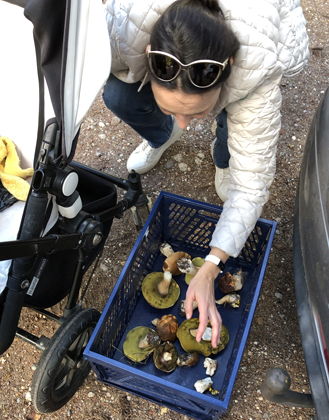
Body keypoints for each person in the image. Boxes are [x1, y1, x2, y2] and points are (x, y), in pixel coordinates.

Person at [102, 0, 309, 348]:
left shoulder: (255, 71)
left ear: (227, 68)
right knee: (118, 93)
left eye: (195, 113)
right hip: (146, 34)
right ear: (149, 54)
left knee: (237, 120)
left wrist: (213, 263)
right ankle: (160, 133)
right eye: (172, 111)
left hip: (260, 28)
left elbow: (251, 187)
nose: (184, 123)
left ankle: (224, 152)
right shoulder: (122, 28)